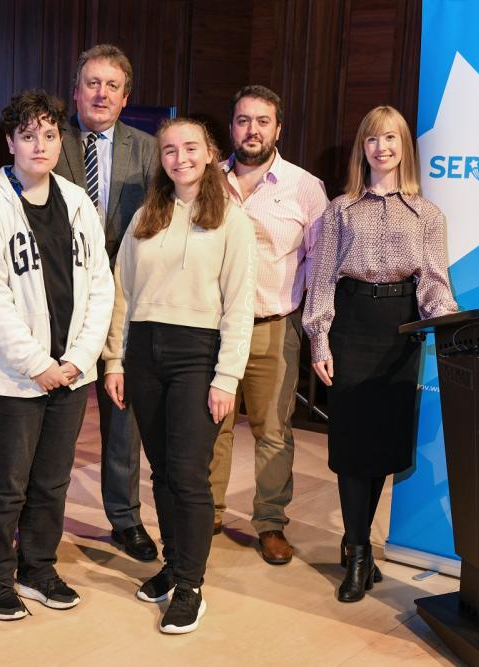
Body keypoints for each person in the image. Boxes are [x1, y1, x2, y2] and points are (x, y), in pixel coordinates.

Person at [0, 90, 114, 621]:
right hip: (11, 376)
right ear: (11, 142)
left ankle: (38, 567)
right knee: (6, 483)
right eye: (29, 135)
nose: (40, 144)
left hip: (70, 371)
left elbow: (101, 285)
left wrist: (77, 358)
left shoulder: (76, 201)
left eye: (50, 135)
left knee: (52, 480)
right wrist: (37, 364)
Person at [103, 118, 256, 634]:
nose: (180, 157)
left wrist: (226, 377)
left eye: (190, 148)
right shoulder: (148, 215)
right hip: (144, 351)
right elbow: (121, 291)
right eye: (169, 149)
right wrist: (115, 360)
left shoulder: (231, 220)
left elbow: (239, 306)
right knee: (162, 471)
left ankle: (190, 584)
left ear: (211, 154)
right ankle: (173, 564)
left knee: (189, 473)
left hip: (198, 354)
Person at [303, 105, 458, 603]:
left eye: (391, 138)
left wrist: (450, 323)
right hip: (351, 325)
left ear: (404, 147)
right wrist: (319, 340)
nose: (382, 147)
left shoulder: (429, 214)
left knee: (380, 449)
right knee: (351, 448)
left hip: (400, 331)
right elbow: (322, 279)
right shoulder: (340, 209)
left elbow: (435, 283)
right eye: (372, 139)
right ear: (362, 148)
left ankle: (360, 551)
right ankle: (357, 549)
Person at [209, 85, 328, 564]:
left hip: (274, 326)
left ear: (278, 129)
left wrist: (318, 334)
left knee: (273, 430)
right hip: (213, 329)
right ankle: (208, 513)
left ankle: (271, 523)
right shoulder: (207, 180)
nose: (251, 129)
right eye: (242, 120)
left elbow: (321, 265)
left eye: (262, 121)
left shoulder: (305, 187)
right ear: (232, 126)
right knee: (212, 425)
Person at [54, 44, 159, 562]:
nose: (101, 93)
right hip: (60, 304)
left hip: (124, 304)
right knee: (57, 419)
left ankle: (125, 519)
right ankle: (42, 517)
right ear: (76, 92)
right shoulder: (51, 141)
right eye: (92, 83)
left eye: (111, 85)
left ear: (126, 97)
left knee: (123, 418)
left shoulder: (150, 149)